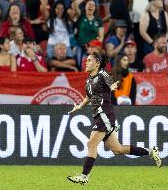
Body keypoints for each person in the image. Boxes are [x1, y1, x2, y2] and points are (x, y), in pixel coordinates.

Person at [67, 52, 162, 185]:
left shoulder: (102, 74)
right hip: (100, 116)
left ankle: (84, 176)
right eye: (86, 60)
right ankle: (150, 151)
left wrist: (112, 86)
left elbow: (111, 84)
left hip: (104, 114)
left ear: (97, 63)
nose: (86, 62)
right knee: (118, 149)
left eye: (89, 60)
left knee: (91, 143)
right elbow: (89, 97)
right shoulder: (88, 80)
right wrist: (79, 107)